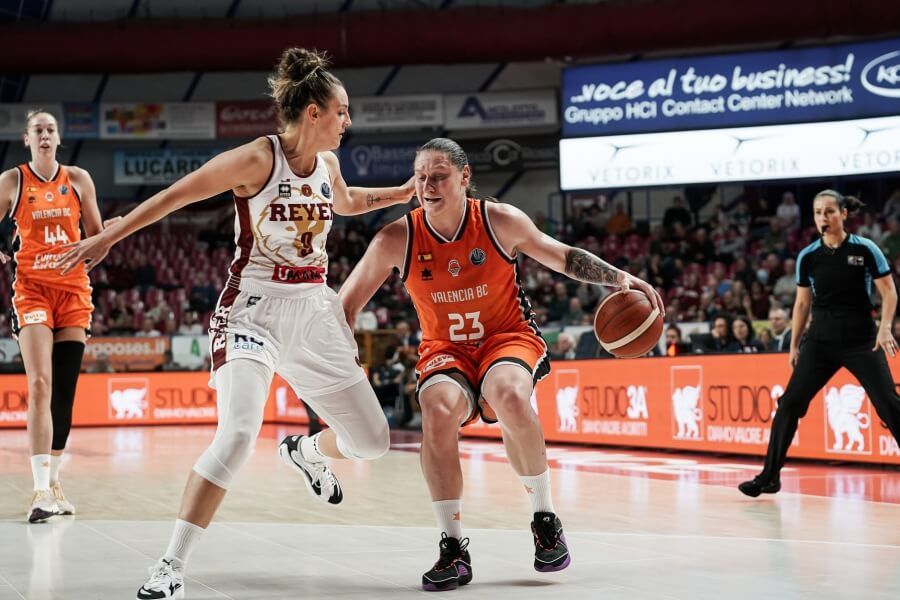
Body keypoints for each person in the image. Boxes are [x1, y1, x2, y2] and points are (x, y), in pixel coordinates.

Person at [59, 48, 415, 600]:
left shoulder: (329, 166)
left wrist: (402, 194)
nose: (350, 121)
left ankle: (309, 452)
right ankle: (170, 565)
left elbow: (344, 202)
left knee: (372, 441)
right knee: (239, 433)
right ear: (314, 112)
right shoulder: (257, 159)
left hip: (313, 312)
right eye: (342, 111)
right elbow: (178, 195)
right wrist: (110, 234)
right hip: (253, 308)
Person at [340, 138, 662, 591]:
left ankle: (544, 518)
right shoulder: (396, 237)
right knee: (435, 413)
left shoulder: (498, 220)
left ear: (464, 177)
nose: (428, 185)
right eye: (421, 177)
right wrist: (343, 361)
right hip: (445, 349)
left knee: (510, 395)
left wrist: (620, 277)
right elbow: (347, 305)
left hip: (506, 337)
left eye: (439, 176)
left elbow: (563, 256)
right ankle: (453, 547)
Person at [739, 191, 900, 497]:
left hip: (862, 339)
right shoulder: (808, 256)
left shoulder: (866, 250)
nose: (823, 218)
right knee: (789, 404)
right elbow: (801, 305)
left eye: (829, 212)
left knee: (888, 404)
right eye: (817, 213)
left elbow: (889, 292)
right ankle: (769, 477)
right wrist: (794, 345)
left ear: (843, 214)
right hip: (821, 341)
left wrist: (884, 329)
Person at [0, 109, 114, 523]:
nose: (45, 135)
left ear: (59, 138)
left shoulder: (79, 180)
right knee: (40, 382)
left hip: (73, 294)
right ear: (26, 139)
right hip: (31, 290)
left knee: (64, 390)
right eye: (38, 130)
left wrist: (106, 236)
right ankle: (38, 490)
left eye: (50, 129)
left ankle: (55, 483)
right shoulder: (13, 182)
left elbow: (97, 240)